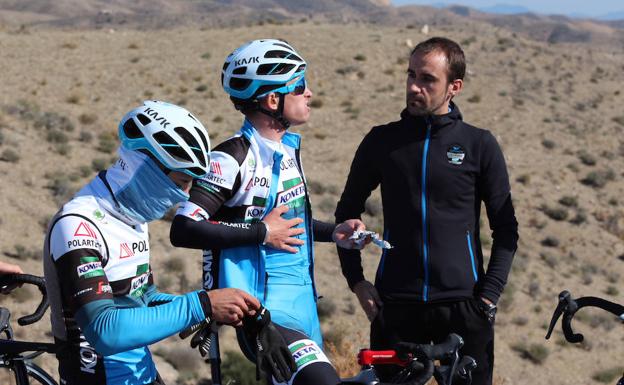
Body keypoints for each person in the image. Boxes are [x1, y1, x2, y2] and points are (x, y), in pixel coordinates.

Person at [43, 101, 293, 385]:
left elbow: (144, 299)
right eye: (182, 181)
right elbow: (104, 332)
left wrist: (223, 307)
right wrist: (200, 305)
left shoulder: (130, 215)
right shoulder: (77, 225)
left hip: (140, 372)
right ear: (146, 168)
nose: (185, 196)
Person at [170, 39, 363, 385]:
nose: (310, 93)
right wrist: (261, 232)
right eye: (300, 86)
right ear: (273, 100)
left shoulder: (286, 149)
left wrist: (332, 233)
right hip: (264, 317)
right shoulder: (231, 157)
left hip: (302, 306)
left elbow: (285, 225)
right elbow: (183, 229)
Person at [334, 37, 519, 385]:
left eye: (428, 79)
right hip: (396, 307)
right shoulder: (381, 141)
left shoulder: (479, 145)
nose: (414, 86)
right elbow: (345, 214)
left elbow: (506, 230)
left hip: (464, 307)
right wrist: (356, 282)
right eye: (411, 75)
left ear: (455, 87)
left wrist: (488, 297)